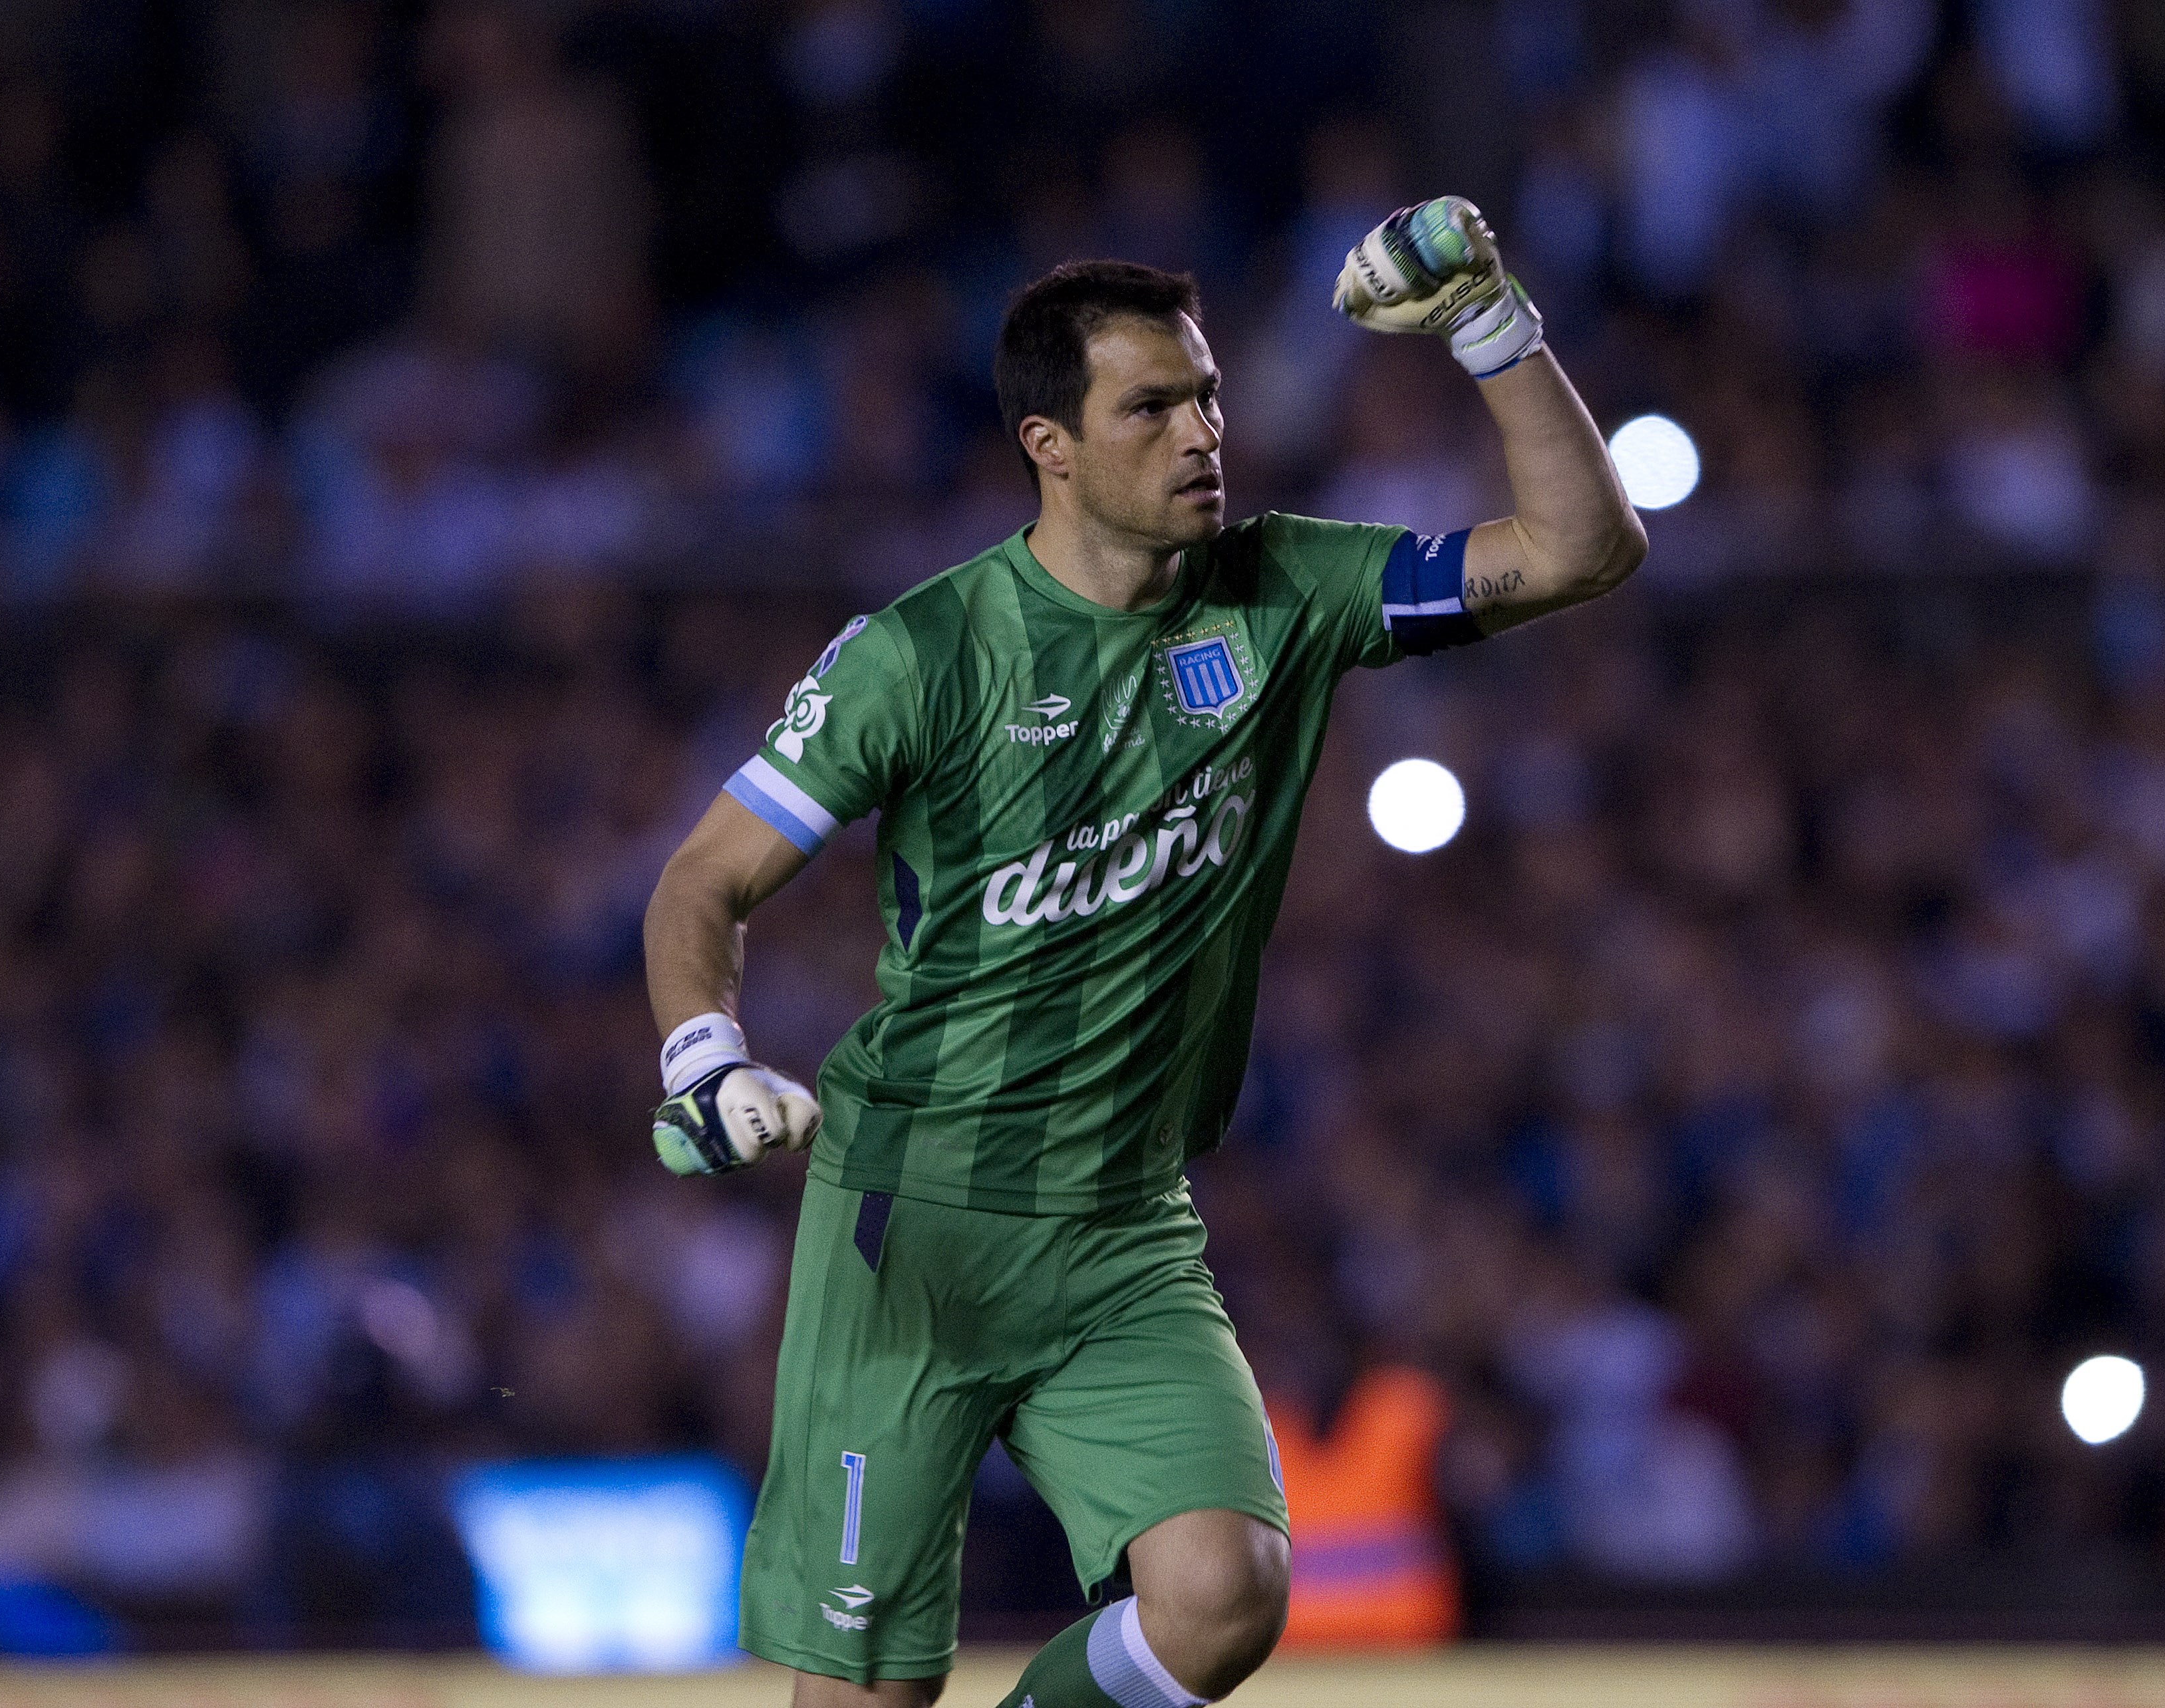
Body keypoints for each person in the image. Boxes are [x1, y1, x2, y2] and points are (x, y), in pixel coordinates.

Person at [642, 198, 1645, 1707]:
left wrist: (1489, 322)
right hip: (911, 1233)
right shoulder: (920, 653)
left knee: (1221, 1596)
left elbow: (1583, 549)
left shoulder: (1282, 590)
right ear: (1050, 445)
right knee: (860, 1697)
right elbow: (702, 882)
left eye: (1208, 395)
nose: (1200, 433)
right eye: (1150, 406)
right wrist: (704, 1060)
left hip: (1121, 1227)